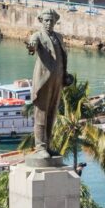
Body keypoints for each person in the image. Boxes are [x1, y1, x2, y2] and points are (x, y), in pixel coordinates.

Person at [26, 9, 71, 159]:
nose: (48, 23)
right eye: (46, 20)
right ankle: (40, 147)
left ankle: (48, 145)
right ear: (41, 21)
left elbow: (62, 58)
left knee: (52, 114)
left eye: (51, 20)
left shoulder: (59, 37)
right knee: (41, 114)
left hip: (57, 81)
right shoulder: (37, 36)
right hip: (43, 82)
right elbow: (32, 46)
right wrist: (31, 46)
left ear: (55, 22)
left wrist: (65, 75)